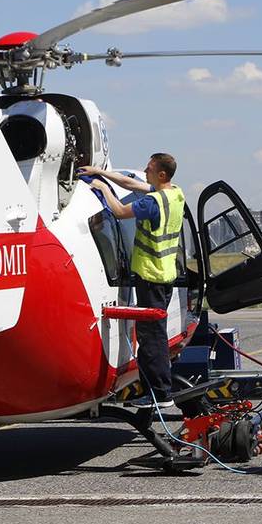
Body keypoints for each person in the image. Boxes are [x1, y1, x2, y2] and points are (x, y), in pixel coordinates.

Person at [79, 154, 184, 410]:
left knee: (151, 339)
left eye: (149, 168)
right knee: (154, 335)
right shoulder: (174, 194)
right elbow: (129, 183)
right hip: (163, 275)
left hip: (151, 276)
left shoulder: (152, 203)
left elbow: (119, 211)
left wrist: (103, 189)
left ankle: (160, 394)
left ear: (161, 175)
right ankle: (158, 390)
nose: (144, 171)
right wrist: (100, 172)